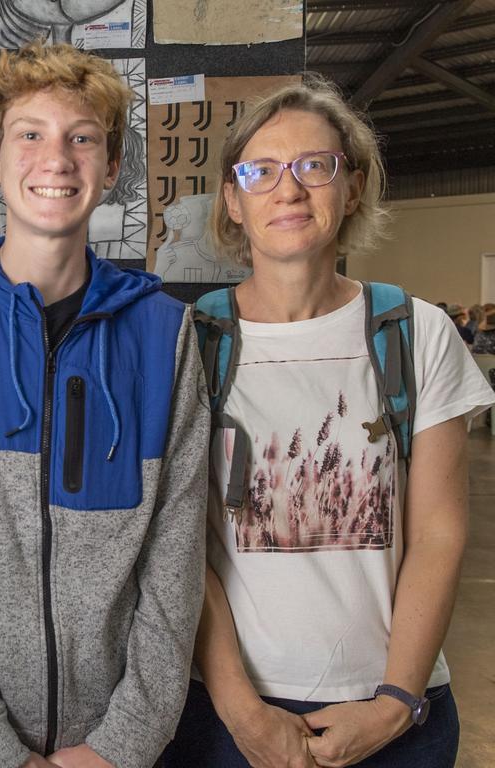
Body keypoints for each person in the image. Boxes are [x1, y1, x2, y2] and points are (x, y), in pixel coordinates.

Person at [0, 41, 208, 768]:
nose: (56, 159)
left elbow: (176, 563)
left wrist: (123, 744)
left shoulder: (164, 336)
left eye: (82, 137)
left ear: (113, 167)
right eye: (31, 134)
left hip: (119, 752)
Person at [161, 76, 495, 768]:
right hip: (229, 719)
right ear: (232, 197)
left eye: (316, 166)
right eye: (261, 171)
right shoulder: (191, 343)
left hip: (398, 716)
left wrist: (394, 702)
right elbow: (181, 547)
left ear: (353, 186)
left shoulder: (415, 331)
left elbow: (437, 532)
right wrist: (239, 710)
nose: (289, 190)